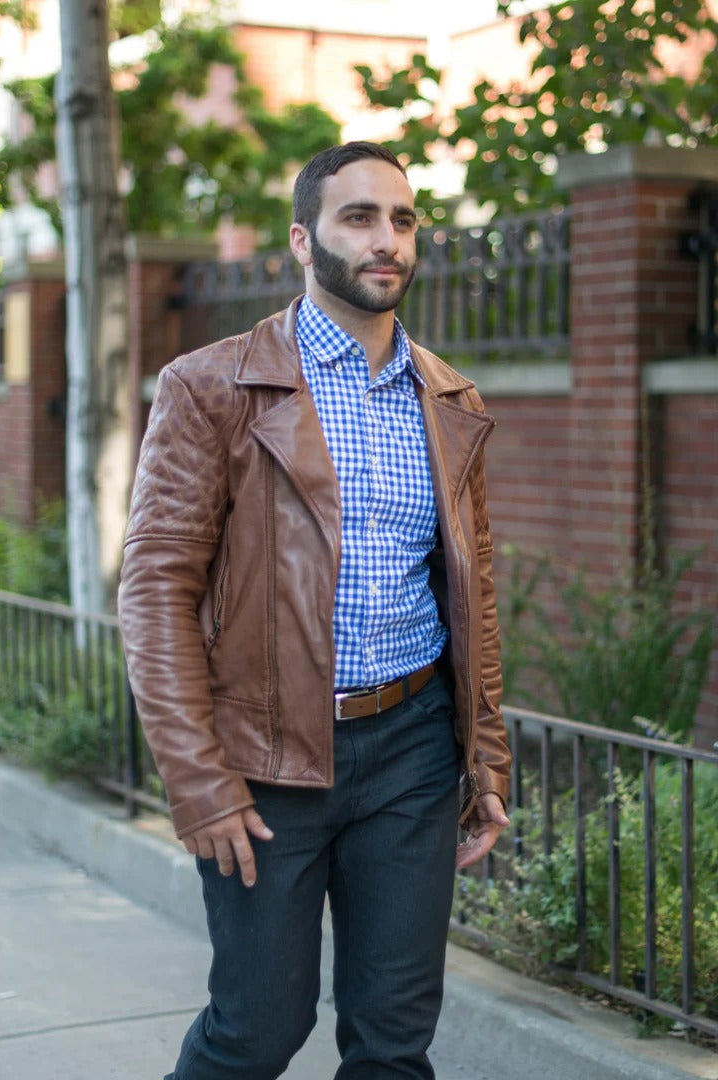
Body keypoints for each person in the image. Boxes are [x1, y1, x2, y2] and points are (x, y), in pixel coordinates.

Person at [118, 141, 511, 1080]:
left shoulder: (448, 396)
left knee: (394, 1041)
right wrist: (197, 778)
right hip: (264, 761)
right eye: (358, 217)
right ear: (303, 240)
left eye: (403, 220)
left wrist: (485, 756)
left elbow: (475, 593)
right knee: (256, 1031)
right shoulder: (211, 386)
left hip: (412, 751)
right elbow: (156, 590)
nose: (387, 240)